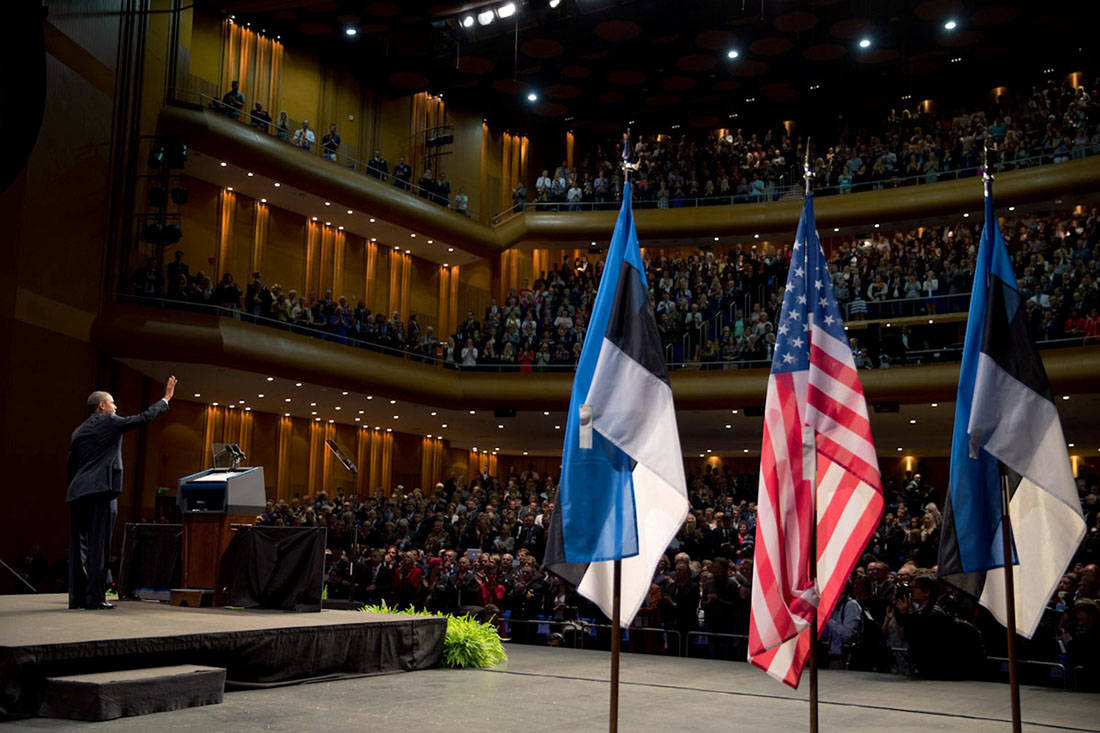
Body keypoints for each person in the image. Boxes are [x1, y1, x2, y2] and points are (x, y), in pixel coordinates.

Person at [66, 376, 176, 609]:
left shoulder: (78, 431)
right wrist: (165, 399)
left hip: (77, 493)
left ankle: (77, 598)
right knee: (100, 545)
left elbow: (71, 465)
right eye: (113, 403)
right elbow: (143, 418)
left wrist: (74, 489)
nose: (116, 407)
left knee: (79, 548)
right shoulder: (110, 422)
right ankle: (95, 599)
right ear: (102, 406)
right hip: (101, 492)